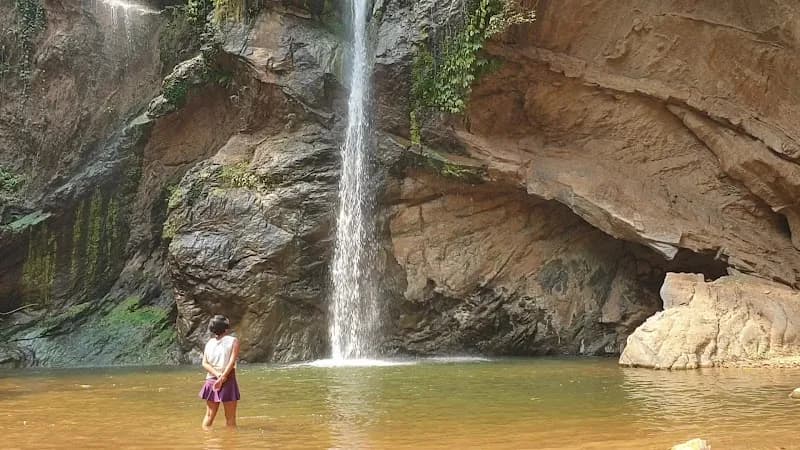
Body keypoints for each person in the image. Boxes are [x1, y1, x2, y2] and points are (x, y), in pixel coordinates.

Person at [198, 315, 241, 429]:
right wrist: (222, 378)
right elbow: (231, 362)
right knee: (230, 419)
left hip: (211, 380)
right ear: (226, 329)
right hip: (228, 380)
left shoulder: (209, 343)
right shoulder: (233, 341)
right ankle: (231, 444)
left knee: (209, 416)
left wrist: (217, 375)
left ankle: (205, 442)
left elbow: (204, 363)